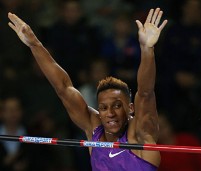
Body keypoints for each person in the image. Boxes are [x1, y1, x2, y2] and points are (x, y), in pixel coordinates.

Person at [7, 7, 167, 171]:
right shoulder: (94, 128)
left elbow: (146, 93)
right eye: (103, 108)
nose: (110, 113)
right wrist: (35, 44)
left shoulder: (141, 132)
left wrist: (147, 50)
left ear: (131, 108)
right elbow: (64, 88)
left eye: (117, 105)